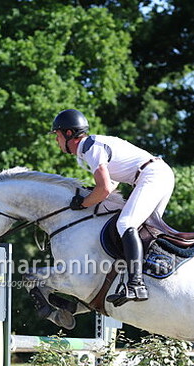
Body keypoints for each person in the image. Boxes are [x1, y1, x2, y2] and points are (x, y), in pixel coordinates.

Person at [50, 109, 175, 306]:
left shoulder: (90, 149)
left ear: (68, 134)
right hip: (158, 174)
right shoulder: (91, 147)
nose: (56, 141)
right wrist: (93, 197)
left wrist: (83, 203)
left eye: (57, 136)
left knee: (126, 224)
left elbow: (105, 188)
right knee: (144, 230)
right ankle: (150, 276)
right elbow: (111, 182)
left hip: (152, 176)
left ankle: (136, 284)